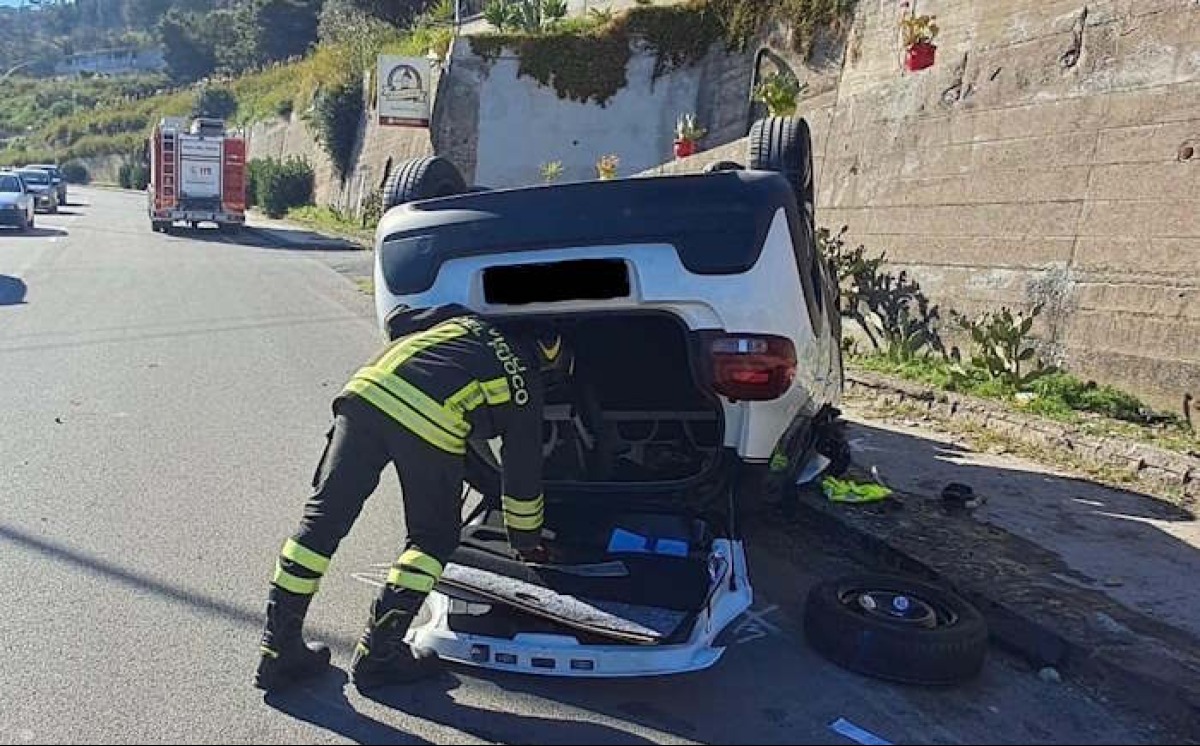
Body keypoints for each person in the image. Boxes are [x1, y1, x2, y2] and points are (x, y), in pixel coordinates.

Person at [253, 303, 573, 693]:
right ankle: (380, 656)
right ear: (550, 359)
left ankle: (277, 651)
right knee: (432, 540)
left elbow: (399, 318)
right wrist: (525, 542)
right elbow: (522, 476)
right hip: (428, 416)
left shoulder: (466, 320)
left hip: (365, 392)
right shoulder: (526, 380)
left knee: (320, 525)